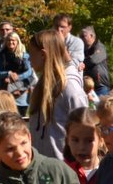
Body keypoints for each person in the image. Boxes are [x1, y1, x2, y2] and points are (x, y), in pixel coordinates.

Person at [27, 29, 86, 160]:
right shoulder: (42, 86)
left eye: (31, 54)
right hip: (41, 165)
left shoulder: (70, 88)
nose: (29, 58)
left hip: (63, 167)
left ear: (43, 55)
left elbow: (84, 129)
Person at [0, 32, 34, 113]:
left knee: (20, 117)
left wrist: (18, 77)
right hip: (5, 91)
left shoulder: (25, 56)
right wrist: (8, 73)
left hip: (21, 94)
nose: (11, 42)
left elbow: (29, 72)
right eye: (9, 40)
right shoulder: (0, 56)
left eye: (13, 40)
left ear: (17, 41)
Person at [80, 27, 111, 98]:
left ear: (91, 35)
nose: (81, 39)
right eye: (80, 36)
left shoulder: (100, 47)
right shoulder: (83, 49)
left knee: (101, 105)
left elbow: (93, 60)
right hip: (88, 88)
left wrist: (81, 63)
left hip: (100, 87)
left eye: (83, 36)